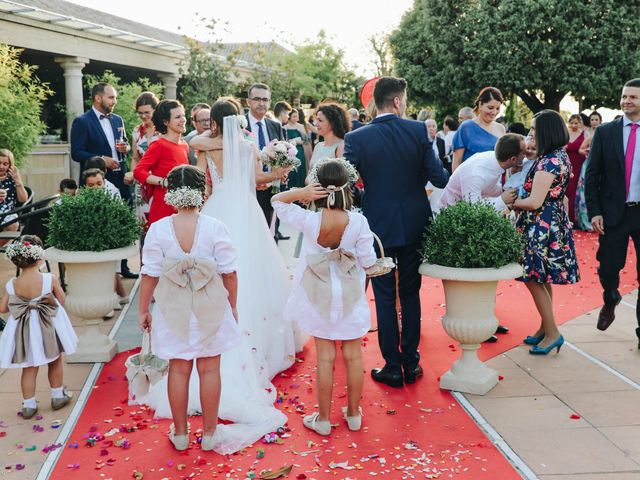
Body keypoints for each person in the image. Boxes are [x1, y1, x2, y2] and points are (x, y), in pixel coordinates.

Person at [144, 103, 297, 452]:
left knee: (204, 263)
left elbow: (202, 178)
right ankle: (249, 338)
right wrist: (277, 174)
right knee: (242, 269)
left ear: (214, 120)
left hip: (218, 205)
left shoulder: (205, 145)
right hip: (245, 208)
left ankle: (182, 429)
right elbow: (257, 179)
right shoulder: (246, 145)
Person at [344, 76, 449, 388]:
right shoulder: (418, 131)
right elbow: (439, 178)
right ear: (398, 102)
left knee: (385, 297)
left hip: (378, 228)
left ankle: (392, 367)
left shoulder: (357, 138)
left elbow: (347, 185)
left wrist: (369, 198)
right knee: (411, 293)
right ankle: (411, 363)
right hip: (415, 223)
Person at [139, 165, 241, 451]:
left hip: (173, 309)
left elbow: (149, 274)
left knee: (179, 370)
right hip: (210, 307)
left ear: (170, 193)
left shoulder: (158, 229)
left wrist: (143, 310)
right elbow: (229, 273)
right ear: (201, 193)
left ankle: (182, 434)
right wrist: (231, 305)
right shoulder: (215, 227)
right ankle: (209, 435)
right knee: (210, 370)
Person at [271, 160, 376, 435]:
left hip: (319, 294)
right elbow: (369, 261)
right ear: (348, 186)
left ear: (318, 186)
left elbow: (277, 201)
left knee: (325, 358)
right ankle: (353, 414)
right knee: (353, 356)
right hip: (350, 294)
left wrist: (302, 193)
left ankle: (324, 419)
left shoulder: (309, 220)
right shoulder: (358, 221)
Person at [513, 110, 580, 354]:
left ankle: (552, 332)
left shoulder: (549, 161)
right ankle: (546, 327)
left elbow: (533, 202)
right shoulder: (558, 155)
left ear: (546, 132)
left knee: (532, 277)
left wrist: (511, 202)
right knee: (541, 277)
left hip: (541, 226)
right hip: (549, 223)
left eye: (534, 130)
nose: (530, 134)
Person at [585, 78, 640, 349]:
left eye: (633, 97)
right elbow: (592, 175)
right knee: (608, 268)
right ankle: (610, 298)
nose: (627, 101)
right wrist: (594, 211)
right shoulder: (606, 132)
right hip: (612, 213)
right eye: (624, 96)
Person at [0, 235, 77, 418]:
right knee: (55, 359)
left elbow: (3, 308)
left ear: (17, 261)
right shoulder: (50, 278)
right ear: (40, 257)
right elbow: (63, 300)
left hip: (24, 328)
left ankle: (28, 405)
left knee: (29, 366)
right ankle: (58, 396)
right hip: (48, 324)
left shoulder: (12, 284)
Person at [70, 82, 130, 200]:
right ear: (98, 98)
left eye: (115, 98)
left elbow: (126, 144)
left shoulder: (118, 120)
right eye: (111, 97)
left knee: (125, 214)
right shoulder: (82, 121)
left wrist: (126, 148)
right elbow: (76, 153)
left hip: (121, 178)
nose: (114, 101)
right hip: (96, 182)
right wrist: (101, 159)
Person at [133, 99, 188, 228]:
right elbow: (138, 171)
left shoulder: (184, 145)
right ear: (165, 122)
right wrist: (163, 182)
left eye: (183, 115)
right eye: (178, 117)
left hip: (181, 207)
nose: (183, 120)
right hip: (163, 207)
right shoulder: (158, 145)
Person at [242, 83, 287, 240]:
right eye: (257, 99)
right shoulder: (239, 125)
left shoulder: (275, 125)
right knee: (249, 232)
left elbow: (284, 153)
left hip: (272, 187)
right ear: (248, 102)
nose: (261, 103)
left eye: (265, 99)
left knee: (270, 231)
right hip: (247, 186)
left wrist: (282, 172)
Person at [438, 133, 524, 212]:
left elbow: (488, 188)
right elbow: (473, 210)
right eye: (525, 152)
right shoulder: (476, 174)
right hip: (452, 215)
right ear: (513, 159)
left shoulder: (496, 160)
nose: (527, 155)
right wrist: (502, 199)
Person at [452, 87, 506, 171]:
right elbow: (456, 161)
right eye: (490, 108)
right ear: (480, 105)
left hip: (495, 181)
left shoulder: (501, 129)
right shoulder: (466, 127)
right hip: (470, 180)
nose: (494, 112)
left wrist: (506, 183)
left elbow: (503, 163)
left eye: (498, 108)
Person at [127, 92, 159, 223]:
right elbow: (135, 158)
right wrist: (132, 174)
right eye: (140, 113)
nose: (143, 116)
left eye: (147, 112)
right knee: (143, 221)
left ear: (155, 110)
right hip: (142, 182)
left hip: (159, 180)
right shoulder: (137, 131)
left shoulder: (165, 129)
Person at [309, 102, 350, 170]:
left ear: (333, 123)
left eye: (320, 120)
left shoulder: (342, 147)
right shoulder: (318, 146)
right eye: (316, 120)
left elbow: (342, 178)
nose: (316, 124)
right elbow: (308, 175)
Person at [0, 149, 29, 235]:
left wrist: (18, 181)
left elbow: (23, 199)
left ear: (10, 165)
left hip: (8, 213)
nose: (1, 167)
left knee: (13, 224)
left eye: (5, 164)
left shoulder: (12, 178)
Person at [565, 114, 586, 224]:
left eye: (576, 123)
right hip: (567, 163)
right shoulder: (565, 133)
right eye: (572, 122)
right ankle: (566, 217)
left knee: (575, 190)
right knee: (566, 189)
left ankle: (574, 219)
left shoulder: (584, 133)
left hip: (579, 164)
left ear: (580, 123)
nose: (574, 125)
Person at [283, 109, 309, 189]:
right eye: (294, 116)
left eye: (297, 116)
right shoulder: (284, 127)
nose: (296, 118)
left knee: (300, 170)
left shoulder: (300, 126)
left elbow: (305, 141)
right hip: (288, 153)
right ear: (289, 116)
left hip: (299, 152)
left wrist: (297, 141)